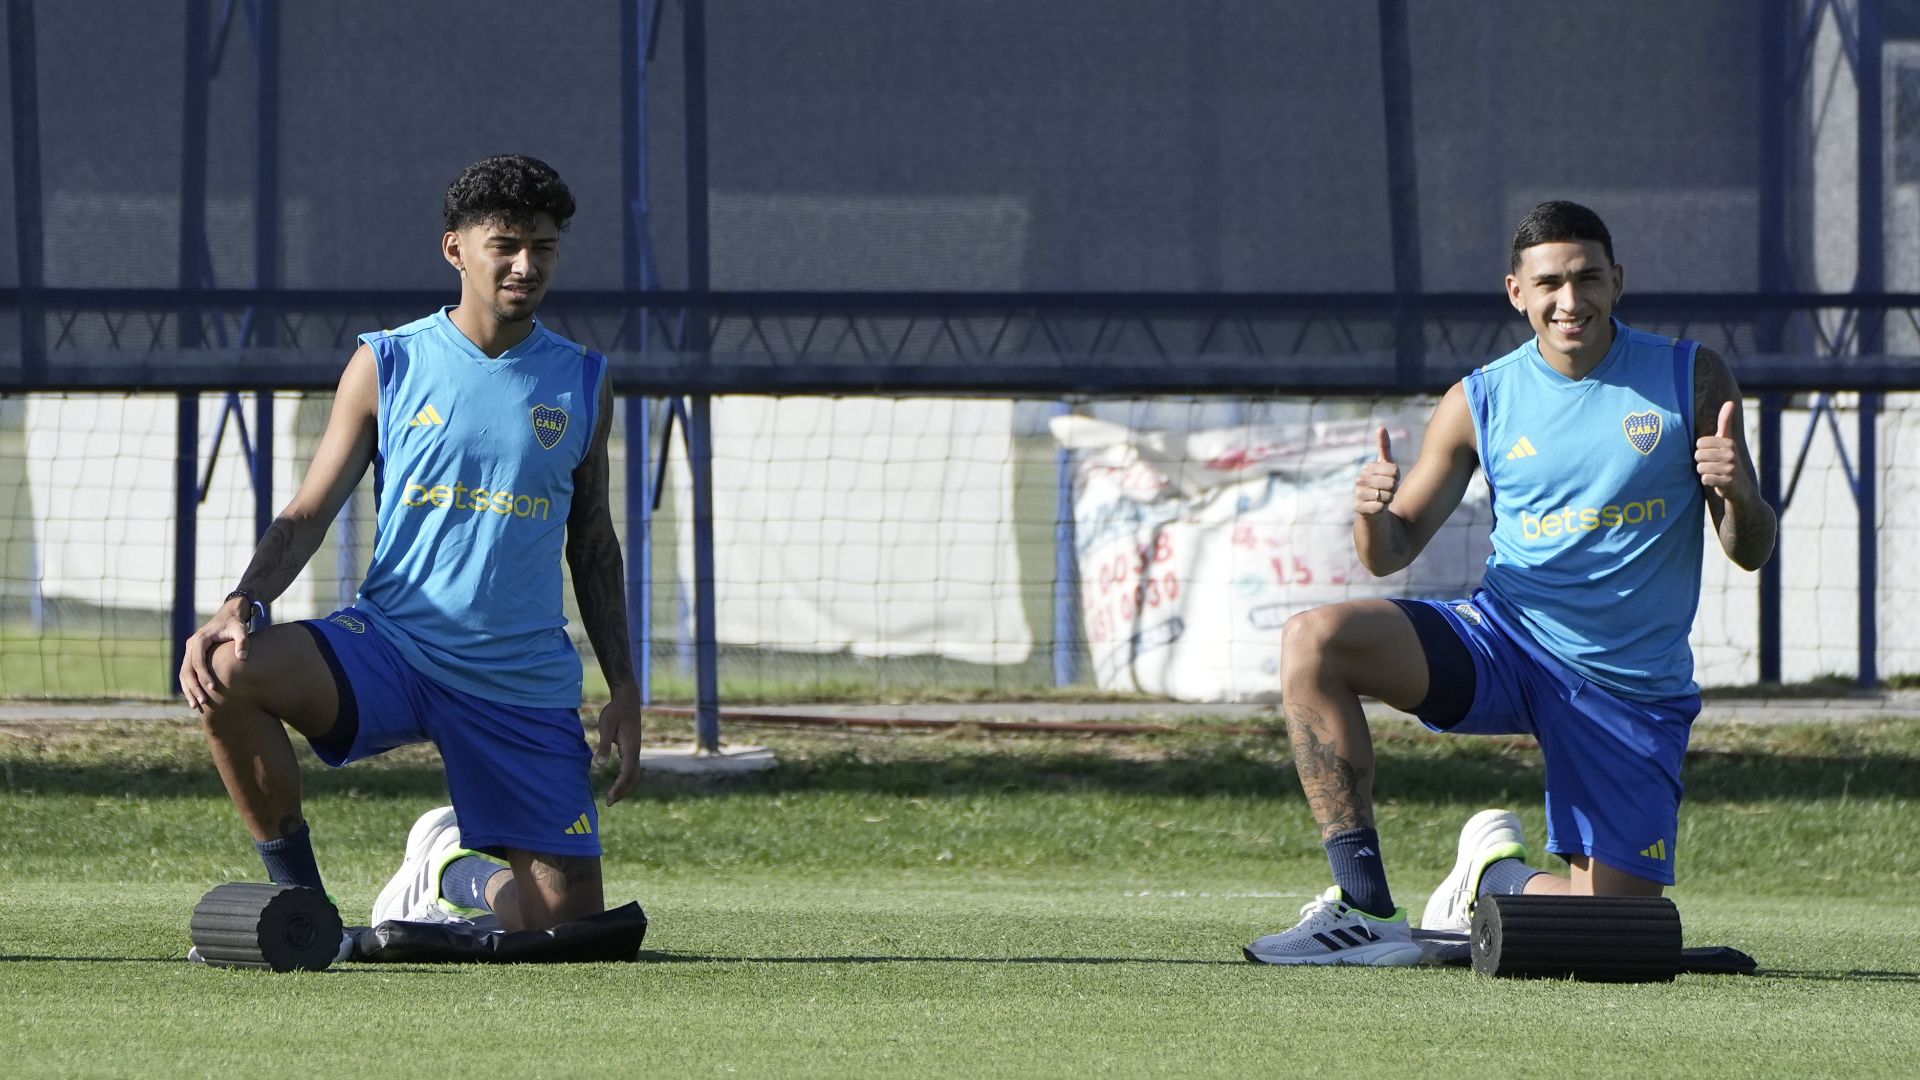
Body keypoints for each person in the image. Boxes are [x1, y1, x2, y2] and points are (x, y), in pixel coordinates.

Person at [1243, 201, 1777, 965]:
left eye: (1588, 278)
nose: (1571, 300)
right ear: (1516, 292)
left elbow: (1749, 550)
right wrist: (1369, 513)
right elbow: (1390, 551)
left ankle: (1492, 878)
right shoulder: (1479, 398)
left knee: (1612, 929)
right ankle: (1363, 907)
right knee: (1315, 640)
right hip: (1505, 640)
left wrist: (1738, 495)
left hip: (1629, 685)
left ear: (1617, 281)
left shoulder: (1690, 375)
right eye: (1550, 283)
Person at [180, 154, 644, 935]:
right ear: (456, 250)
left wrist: (625, 688)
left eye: (544, 247)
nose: (526, 265)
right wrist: (243, 600)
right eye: (506, 245)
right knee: (228, 669)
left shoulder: (583, 380)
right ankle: (304, 904)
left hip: (521, 679)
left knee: (564, 931)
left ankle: (445, 869)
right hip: (391, 646)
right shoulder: (389, 361)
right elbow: (308, 509)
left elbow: (593, 543)